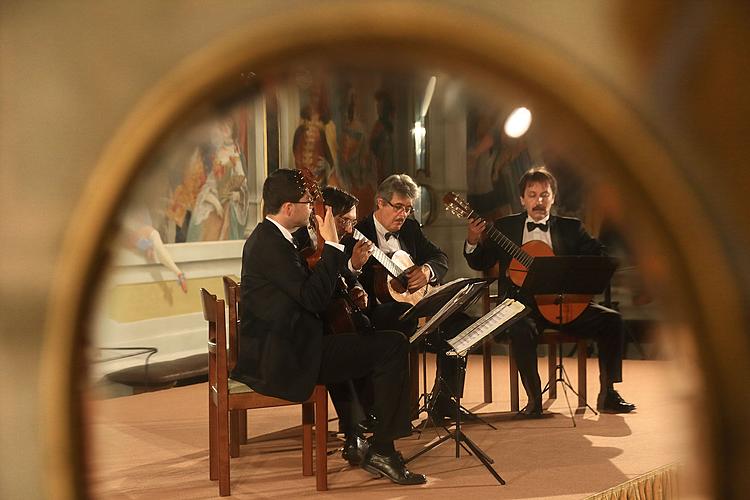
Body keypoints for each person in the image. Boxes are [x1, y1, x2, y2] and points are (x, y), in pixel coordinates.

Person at [232, 169, 426, 485]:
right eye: (309, 202)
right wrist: (333, 246)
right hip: (286, 357)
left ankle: (357, 432)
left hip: (291, 343)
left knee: (356, 336)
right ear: (288, 207)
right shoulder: (270, 245)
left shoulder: (275, 238)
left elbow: (310, 289)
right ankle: (384, 449)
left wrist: (345, 276)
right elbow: (312, 299)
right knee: (392, 346)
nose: (314, 210)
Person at [463, 166, 636, 417]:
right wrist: (472, 239)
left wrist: (579, 270)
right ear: (522, 199)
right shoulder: (504, 227)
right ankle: (534, 399)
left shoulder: (571, 228)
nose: (539, 201)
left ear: (553, 197)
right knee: (521, 329)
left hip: (563, 303)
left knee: (612, 320)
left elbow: (600, 256)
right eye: (532, 195)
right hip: (522, 307)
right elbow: (479, 262)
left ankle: (608, 393)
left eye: (544, 194)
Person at [352, 174, 471, 421]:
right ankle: (385, 411)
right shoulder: (357, 232)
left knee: (461, 324)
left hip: (416, 305)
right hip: (376, 312)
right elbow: (349, 278)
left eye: (408, 208)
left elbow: (440, 258)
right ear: (380, 203)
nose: (403, 214)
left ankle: (445, 400)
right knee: (398, 317)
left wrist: (426, 272)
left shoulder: (410, 228)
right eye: (398, 207)